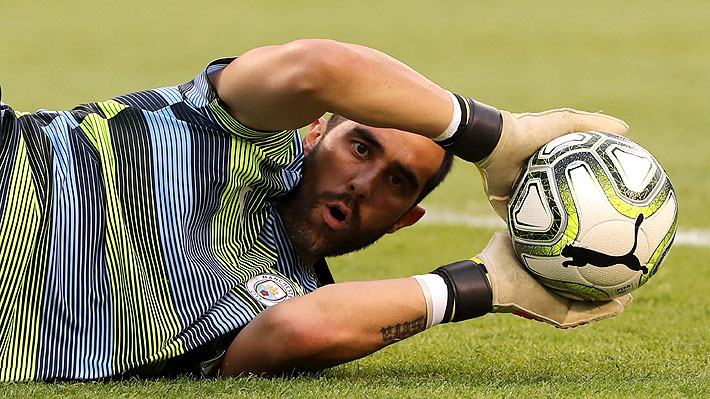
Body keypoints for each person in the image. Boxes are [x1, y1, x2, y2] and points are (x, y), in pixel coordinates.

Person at [0, 39, 631, 381]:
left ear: (406, 219)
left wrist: (481, 288)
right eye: (359, 146)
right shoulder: (243, 133)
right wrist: (493, 136)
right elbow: (319, 68)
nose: (361, 181)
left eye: (396, 181)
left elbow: (299, 332)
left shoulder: (286, 295)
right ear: (312, 133)